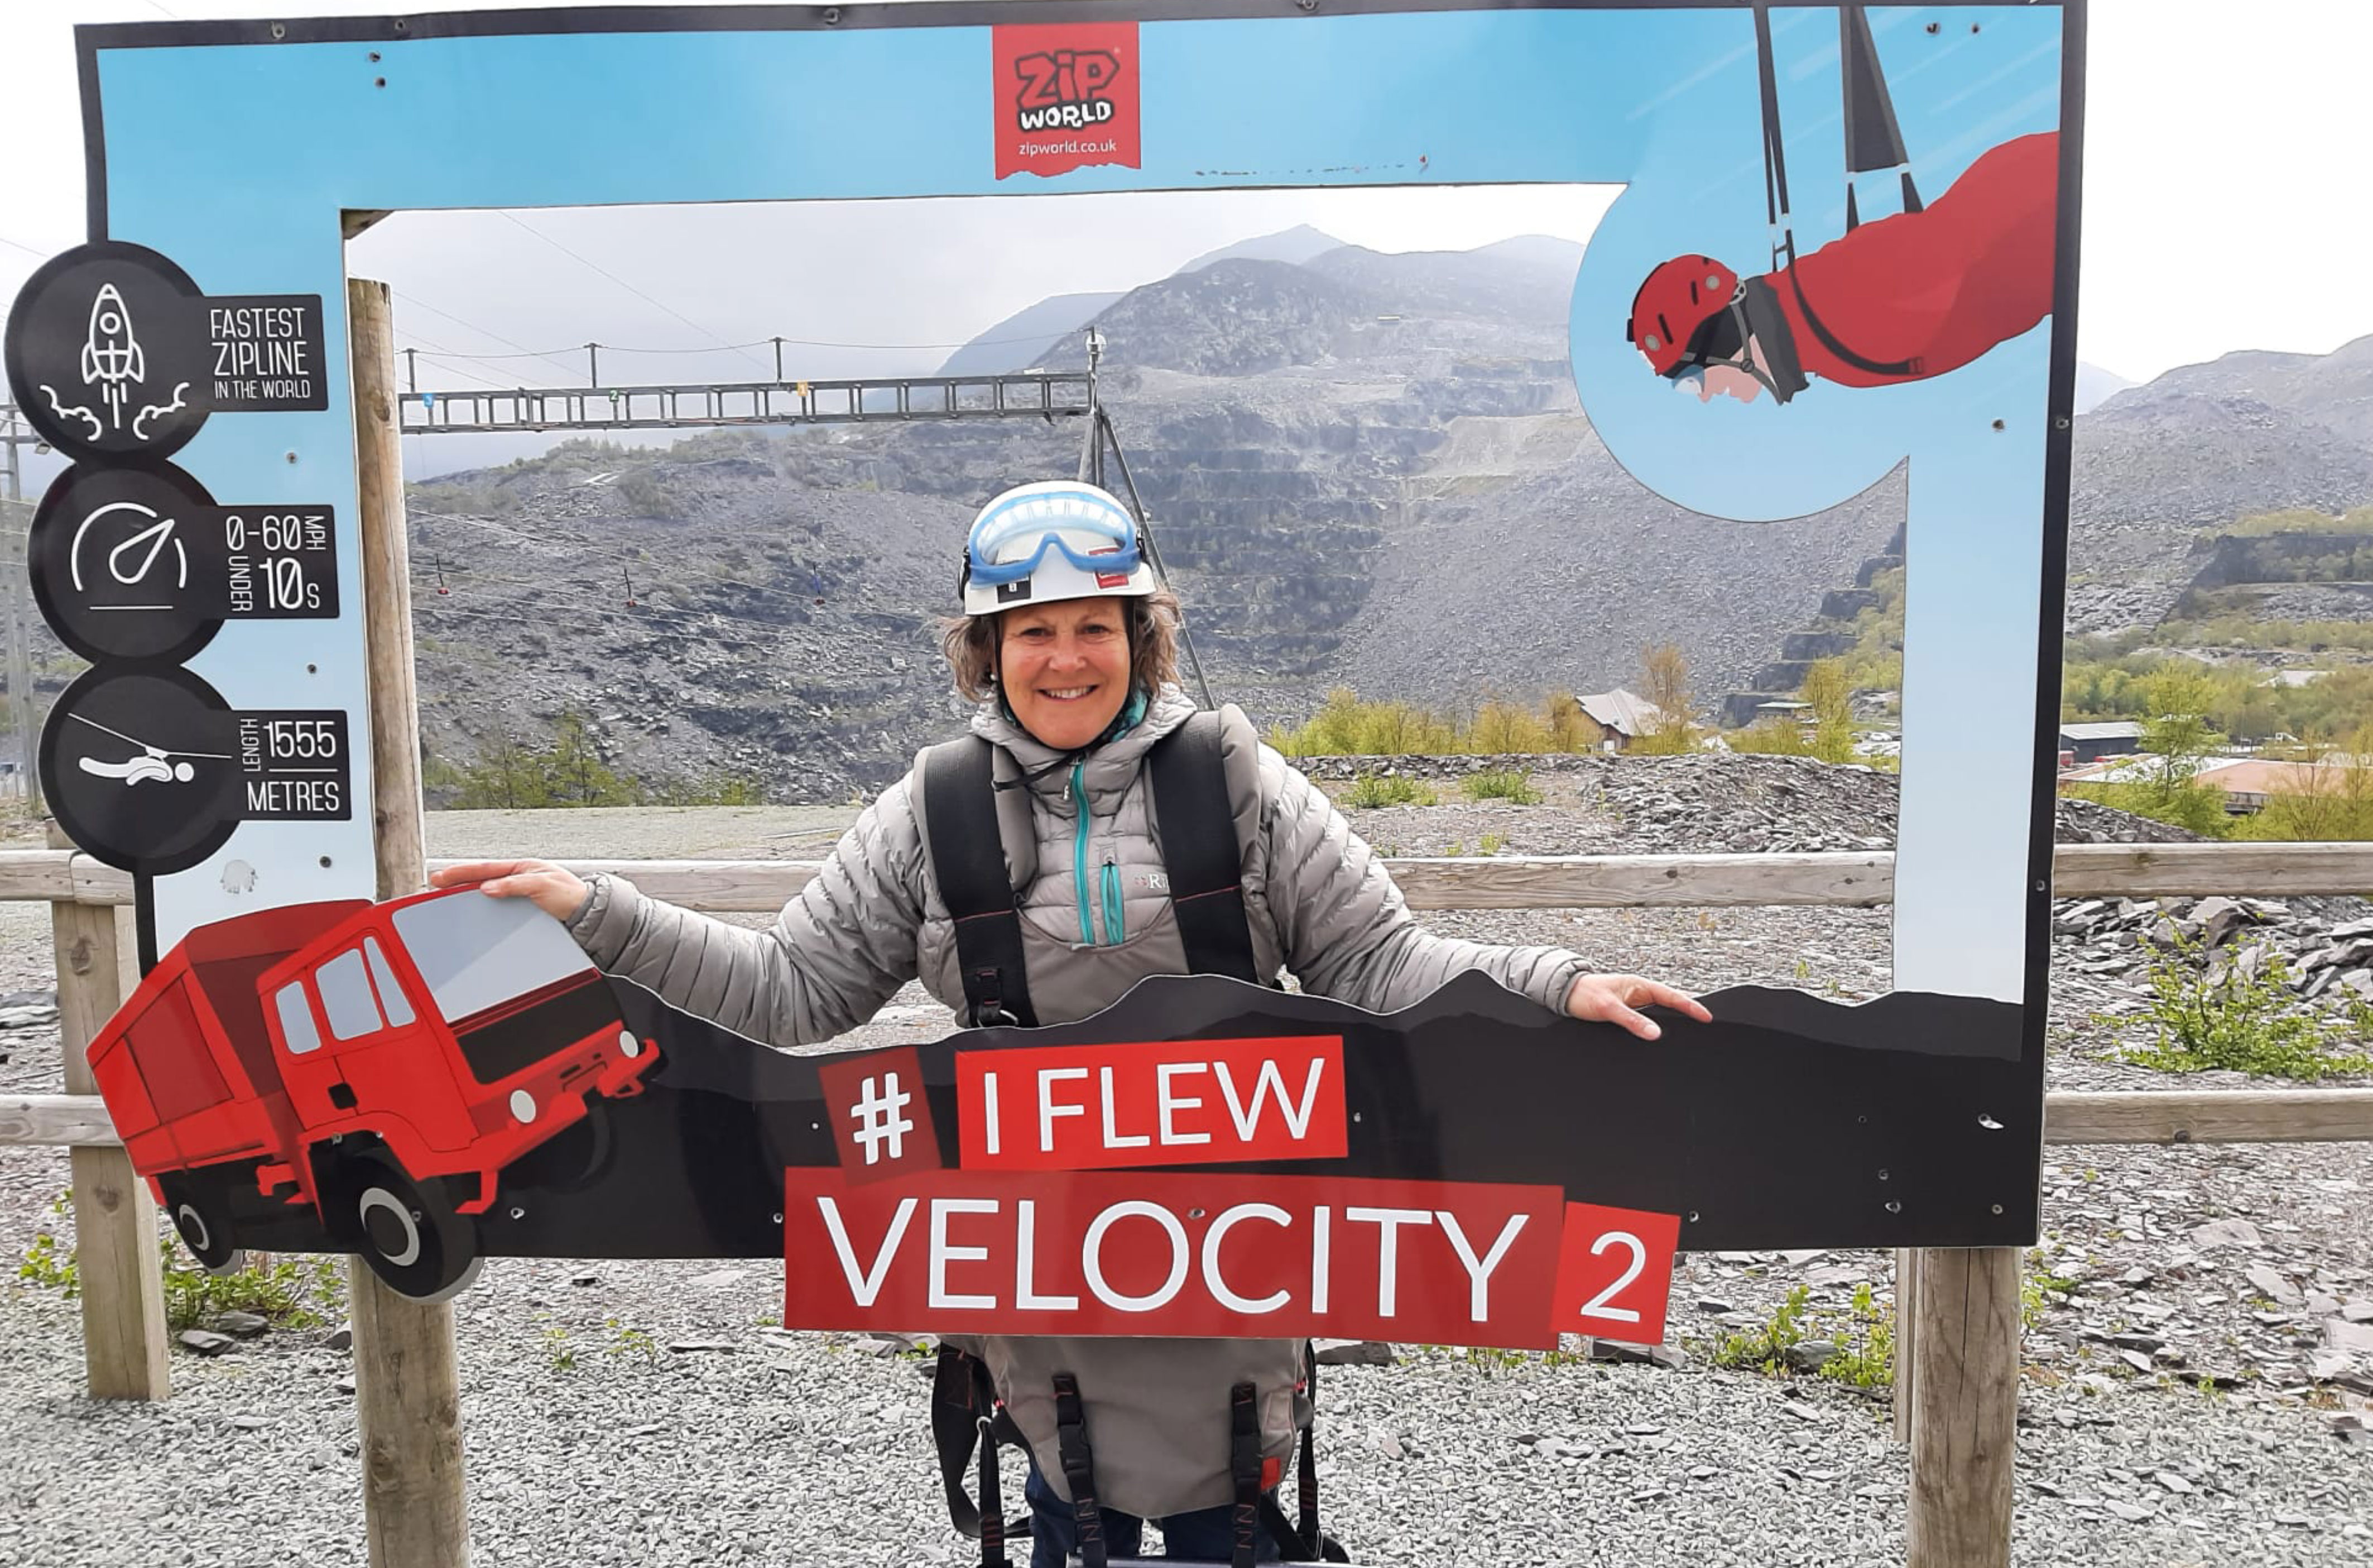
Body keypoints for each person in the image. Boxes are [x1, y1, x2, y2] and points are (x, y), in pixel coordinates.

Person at [433, 478, 1709, 1564]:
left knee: (1234, 1516)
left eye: (1092, 626)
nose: (1063, 658)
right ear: (984, 650)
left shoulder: (1242, 787)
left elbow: (1378, 960)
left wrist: (1552, 983)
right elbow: (788, 991)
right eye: (1027, 629)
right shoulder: (925, 818)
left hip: (1233, 1245)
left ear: (1137, 638)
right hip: (1033, 1261)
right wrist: (591, 910)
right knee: (1066, 1505)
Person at [1627, 128, 2058, 405]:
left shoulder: (1834, 318)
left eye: (1693, 380)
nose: (1705, 397)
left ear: (1723, 343)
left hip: (2063, 200)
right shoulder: (1821, 333)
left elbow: (1973, 254)